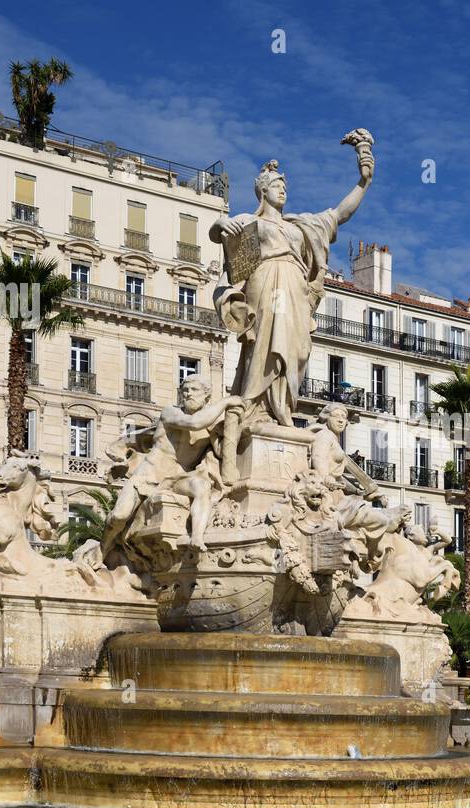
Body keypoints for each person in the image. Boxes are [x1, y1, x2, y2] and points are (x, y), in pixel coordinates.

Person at [211, 140, 374, 428]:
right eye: (276, 186)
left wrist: (363, 182)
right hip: (266, 282)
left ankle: (283, 408)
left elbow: (340, 214)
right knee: (263, 343)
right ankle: (256, 408)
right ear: (263, 191)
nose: (283, 190)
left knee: (297, 348)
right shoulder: (251, 222)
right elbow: (223, 240)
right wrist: (221, 223)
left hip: (296, 288)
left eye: (284, 187)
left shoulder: (300, 225)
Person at [100, 375, 243, 558]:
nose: (188, 394)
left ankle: (197, 537)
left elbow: (223, 453)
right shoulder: (171, 412)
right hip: (150, 473)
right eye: (185, 390)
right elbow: (194, 422)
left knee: (202, 486)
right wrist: (227, 401)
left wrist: (234, 429)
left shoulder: (211, 427)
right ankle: (103, 549)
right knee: (119, 516)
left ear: (207, 396)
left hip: (178, 477)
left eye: (194, 390)